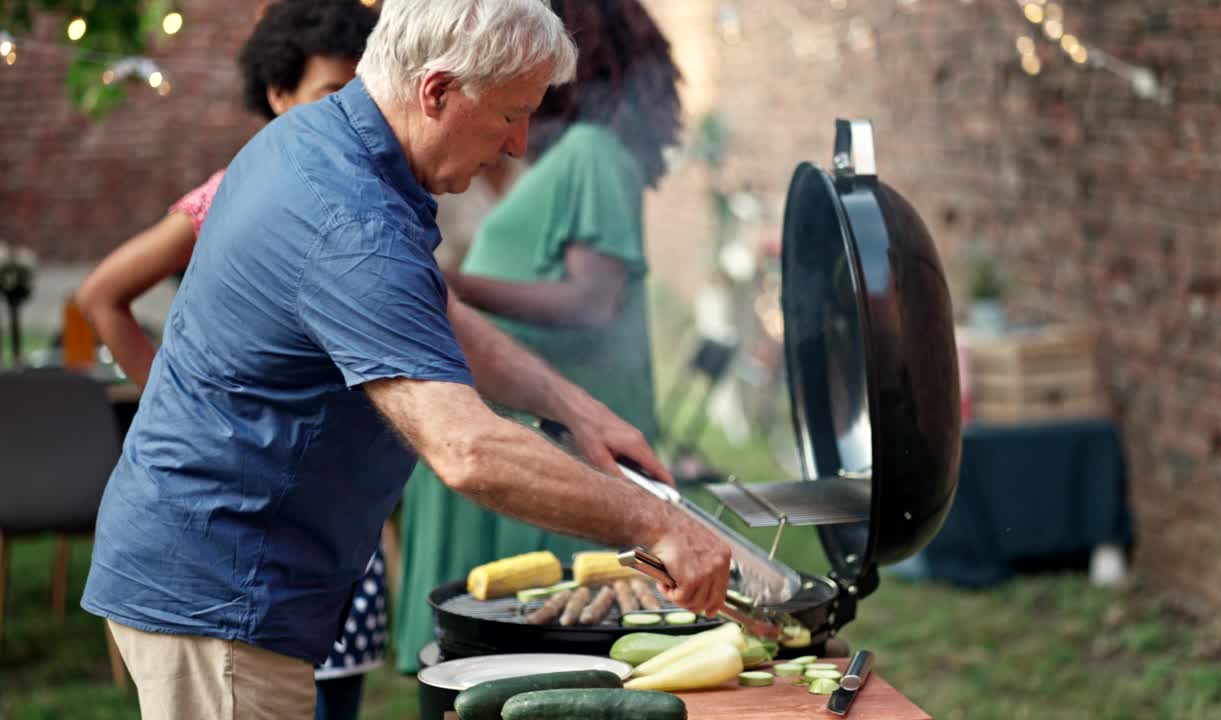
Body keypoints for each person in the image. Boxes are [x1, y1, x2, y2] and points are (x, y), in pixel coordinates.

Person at [79, 0, 732, 717]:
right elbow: (466, 451)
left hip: (222, 569)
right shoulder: (349, 217)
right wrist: (658, 523)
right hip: (219, 590)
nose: (519, 144)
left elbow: (436, 311)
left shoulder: (323, 142)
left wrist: (573, 408)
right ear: (437, 90)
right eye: (511, 112)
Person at [73, 2, 390, 718]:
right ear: (278, 95)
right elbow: (102, 296)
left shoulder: (362, 196)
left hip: (311, 518)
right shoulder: (239, 190)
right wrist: (179, 401)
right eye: (329, 95)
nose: (354, 116)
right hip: (244, 528)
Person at [393, 0, 682, 675]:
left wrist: (448, 283)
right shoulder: (563, 158)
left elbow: (592, 300)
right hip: (506, 431)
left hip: (546, 442)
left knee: (527, 669)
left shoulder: (593, 152)